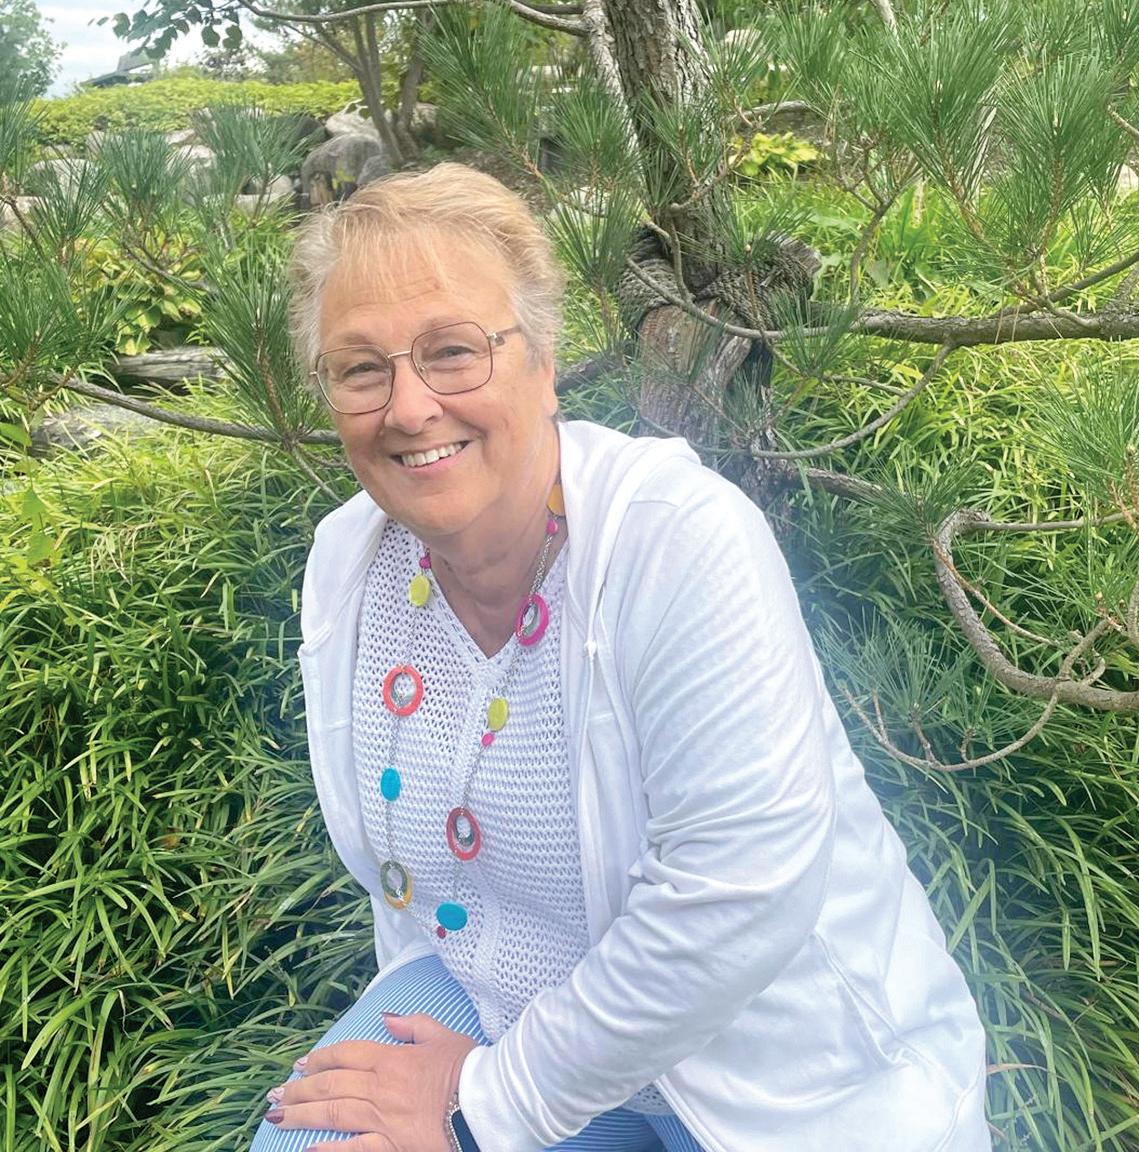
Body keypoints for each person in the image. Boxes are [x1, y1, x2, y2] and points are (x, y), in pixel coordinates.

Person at [249, 162, 992, 1152]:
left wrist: (480, 1106)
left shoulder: (676, 539)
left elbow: (738, 896)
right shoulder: (349, 563)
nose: (409, 407)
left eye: (453, 351)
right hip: (498, 1004)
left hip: (774, 1069)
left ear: (544, 359)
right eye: (359, 369)